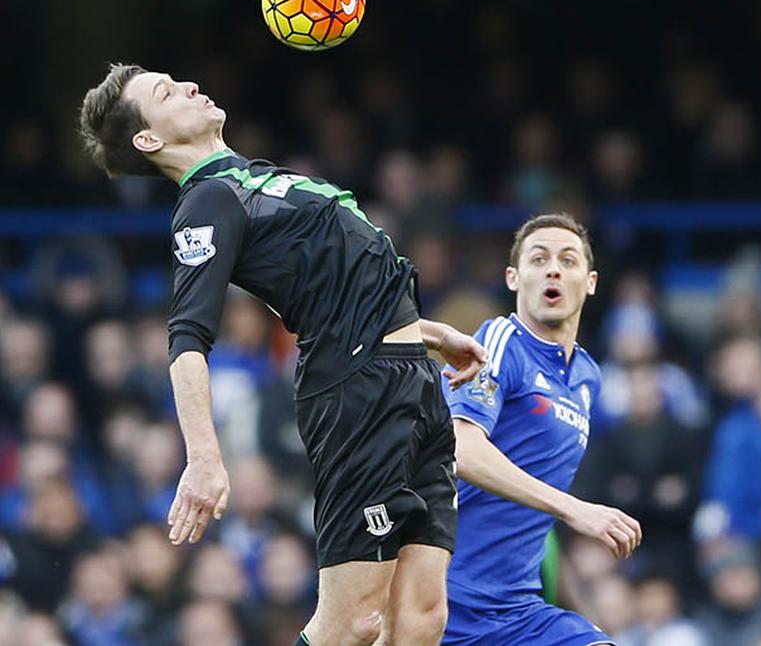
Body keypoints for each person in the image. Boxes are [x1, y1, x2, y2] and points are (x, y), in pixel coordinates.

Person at [78, 64, 487, 646]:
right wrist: (202, 457)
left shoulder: (253, 179)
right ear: (149, 139)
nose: (190, 86)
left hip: (412, 379)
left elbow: (333, 287)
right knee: (352, 624)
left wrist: (426, 333)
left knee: (422, 619)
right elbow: (186, 337)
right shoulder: (207, 201)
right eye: (166, 93)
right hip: (357, 393)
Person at [442, 213, 642, 645]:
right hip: (445, 602)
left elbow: (531, 503)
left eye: (568, 260)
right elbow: (459, 447)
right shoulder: (499, 341)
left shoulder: (588, 376)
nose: (553, 268)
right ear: (514, 278)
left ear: (590, 282)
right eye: (539, 259)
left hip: (520, 610)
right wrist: (575, 509)